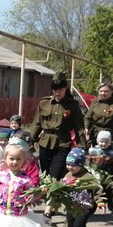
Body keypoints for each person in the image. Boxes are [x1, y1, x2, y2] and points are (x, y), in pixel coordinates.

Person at [26, 72, 87, 217]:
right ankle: (52, 201)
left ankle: (49, 207)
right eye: (54, 89)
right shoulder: (44, 102)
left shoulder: (72, 105)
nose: (57, 92)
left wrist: (82, 146)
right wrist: (30, 141)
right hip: (45, 142)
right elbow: (37, 123)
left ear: (65, 88)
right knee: (46, 174)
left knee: (55, 174)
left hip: (63, 143)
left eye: (60, 89)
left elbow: (79, 127)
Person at [62, 148, 102, 227]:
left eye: (73, 165)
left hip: (85, 207)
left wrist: (100, 201)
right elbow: (62, 188)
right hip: (71, 206)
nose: (70, 167)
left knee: (78, 226)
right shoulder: (68, 175)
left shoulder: (88, 177)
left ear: (81, 164)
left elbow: (97, 189)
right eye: (68, 164)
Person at [84, 79, 113, 158]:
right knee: (96, 160)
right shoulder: (95, 102)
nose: (103, 93)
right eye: (101, 91)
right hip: (96, 136)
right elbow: (87, 118)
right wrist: (86, 128)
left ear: (112, 91)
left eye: (106, 91)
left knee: (110, 160)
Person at [90, 130, 113, 212]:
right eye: (101, 141)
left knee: (108, 190)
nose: (103, 144)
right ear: (98, 141)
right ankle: (93, 207)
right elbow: (89, 162)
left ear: (109, 142)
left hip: (108, 175)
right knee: (95, 190)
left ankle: (110, 201)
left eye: (106, 142)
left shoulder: (112, 154)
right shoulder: (93, 151)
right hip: (96, 174)